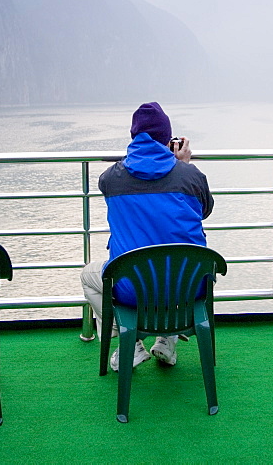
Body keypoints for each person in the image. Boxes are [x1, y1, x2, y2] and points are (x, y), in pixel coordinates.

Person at [81, 102, 214, 371]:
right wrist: (182, 166)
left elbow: (136, 180)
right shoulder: (190, 175)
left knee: (88, 276)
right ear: (169, 139)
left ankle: (132, 342)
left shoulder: (110, 179)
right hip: (189, 286)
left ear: (134, 137)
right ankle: (167, 339)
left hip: (133, 287)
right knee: (175, 266)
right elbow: (205, 211)